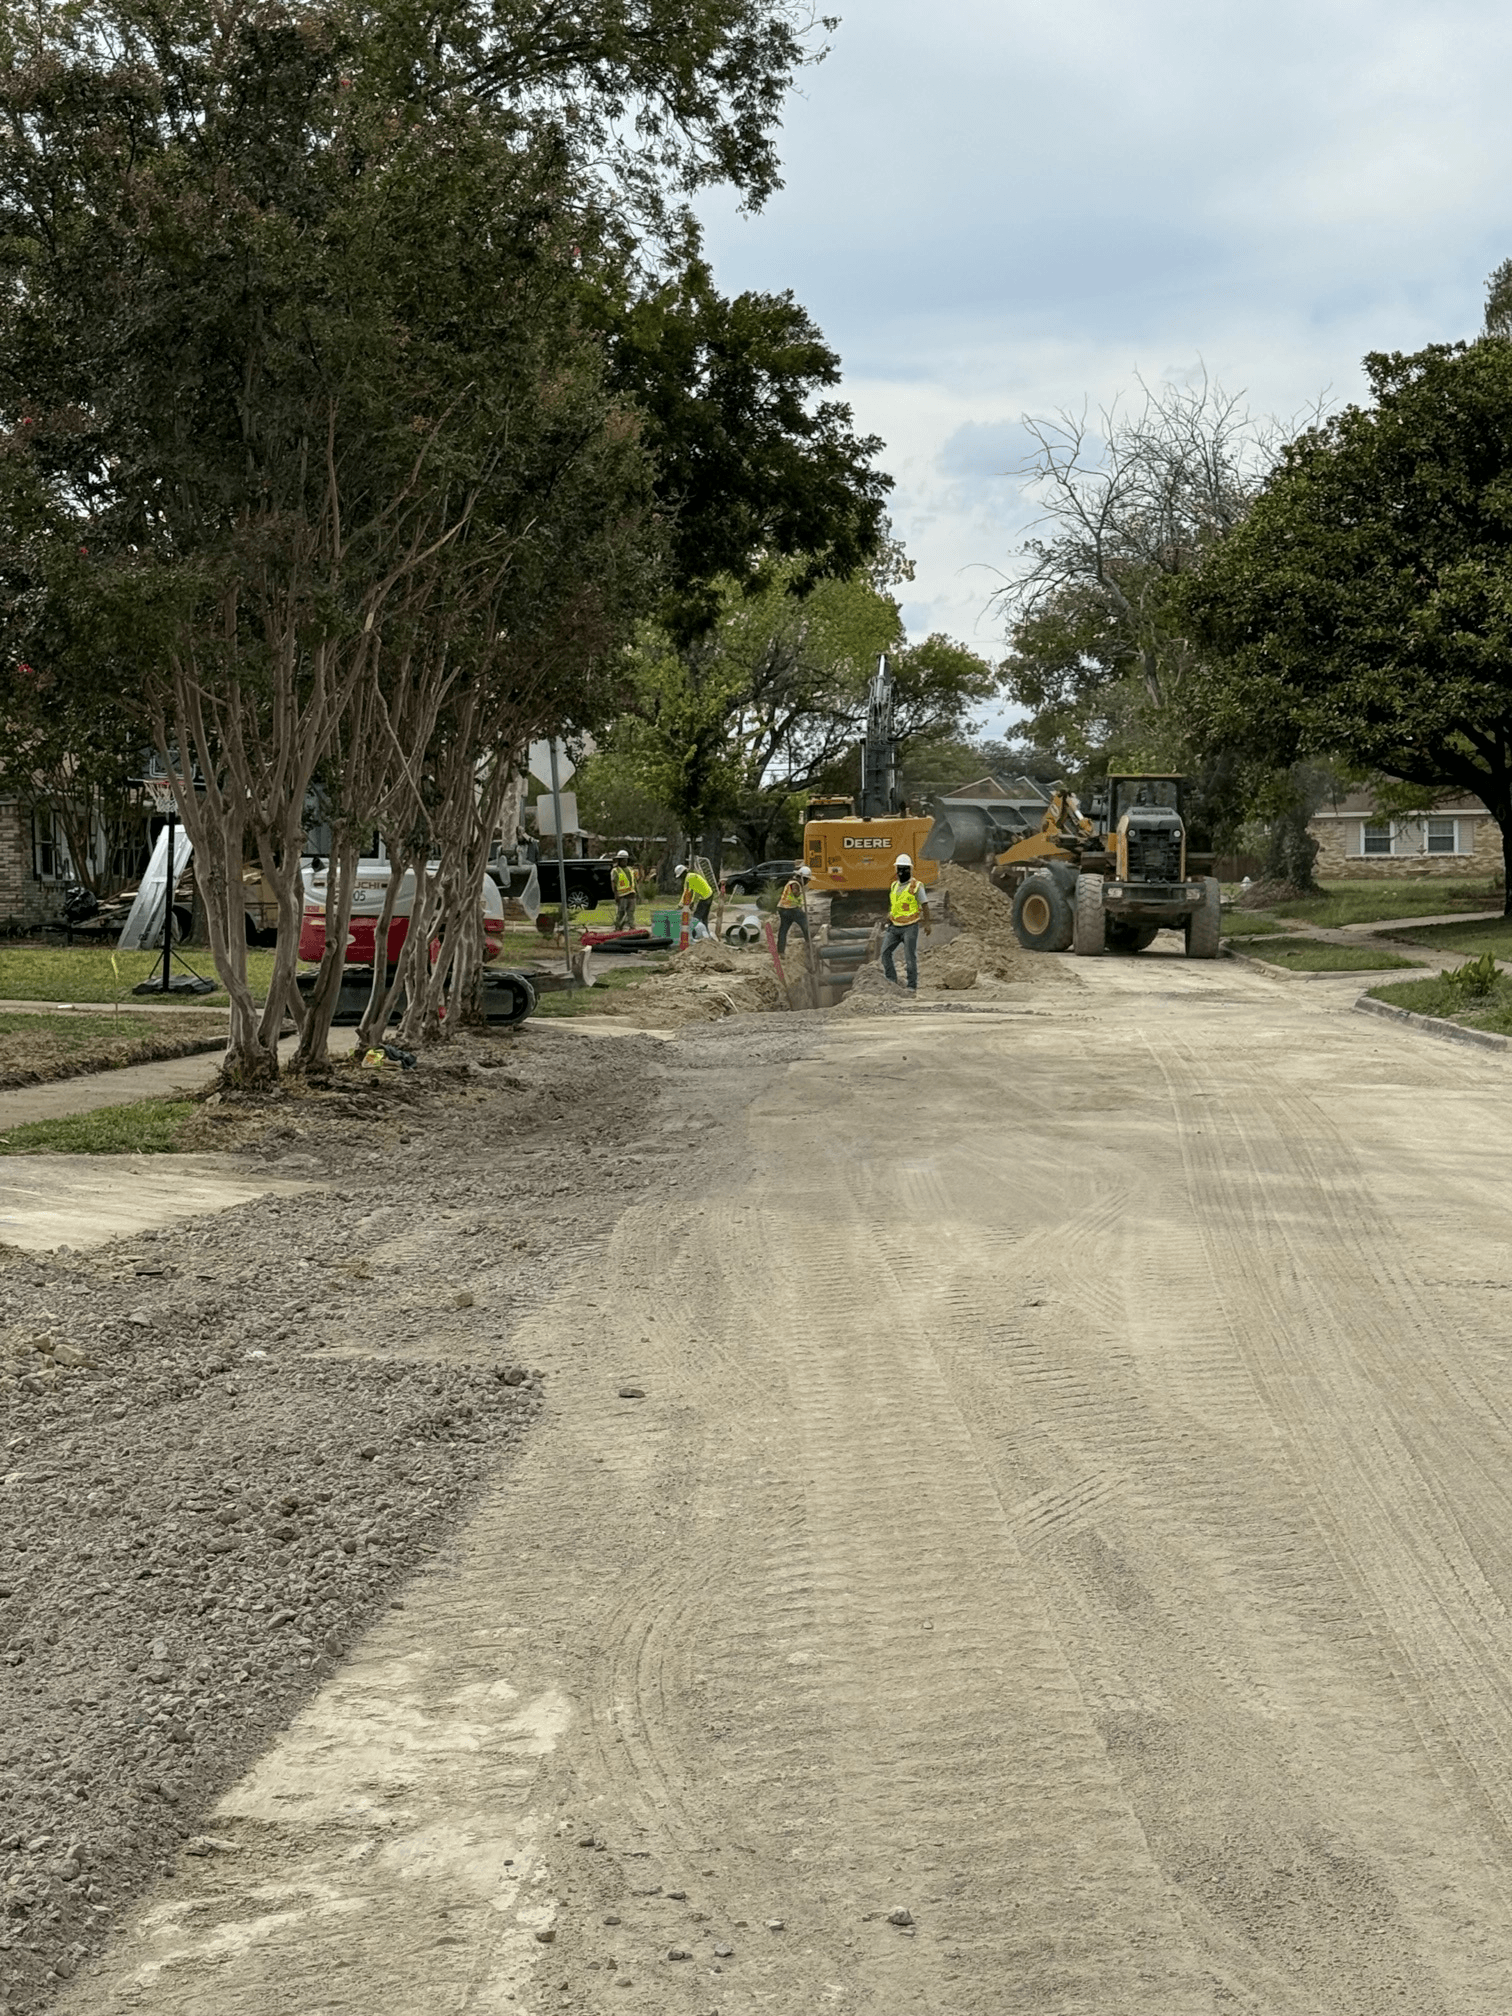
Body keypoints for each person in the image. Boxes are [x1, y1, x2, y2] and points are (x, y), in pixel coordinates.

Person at [881, 853, 930, 992]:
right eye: (900, 869)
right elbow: (895, 904)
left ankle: (911, 985)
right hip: (894, 926)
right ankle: (891, 980)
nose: (902, 872)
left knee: (909, 957)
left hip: (910, 926)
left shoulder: (916, 886)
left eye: (905, 869)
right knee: (885, 953)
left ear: (910, 870)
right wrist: (889, 916)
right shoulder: (894, 886)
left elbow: (925, 905)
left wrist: (927, 923)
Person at [776, 864, 813, 955]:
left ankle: (781, 951)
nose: (807, 882)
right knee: (805, 925)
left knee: (783, 930)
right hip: (792, 909)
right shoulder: (795, 883)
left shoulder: (791, 882)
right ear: (803, 878)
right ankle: (810, 945)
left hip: (783, 909)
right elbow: (795, 892)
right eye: (807, 880)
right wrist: (800, 891)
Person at [675, 861, 714, 931]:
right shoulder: (692, 875)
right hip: (709, 895)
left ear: (682, 874)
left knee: (696, 917)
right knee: (704, 917)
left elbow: (688, 893)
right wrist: (690, 903)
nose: (681, 878)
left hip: (704, 898)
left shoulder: (689, 879)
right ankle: (706, 933)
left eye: (680, 876)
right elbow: (694, 891)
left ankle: (691, 933)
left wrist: (681, 905)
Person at [611, 850, 637, 930]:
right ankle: (618, 927)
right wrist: (616, 894)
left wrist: (636, 892)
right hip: (622, 896)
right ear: (619, 860)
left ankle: (632, 927)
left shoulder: (630, 869)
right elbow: (613, 883)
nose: (624, 861)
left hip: (631, 895)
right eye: (622, 860)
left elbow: (634, 882)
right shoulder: (615, 870)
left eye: (625, 860)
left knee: (631, 913)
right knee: (621, 913)